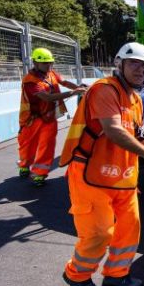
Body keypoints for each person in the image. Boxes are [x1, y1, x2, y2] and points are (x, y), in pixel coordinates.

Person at [59, 42, 144, 286]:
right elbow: (114, 130)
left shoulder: (136, 99)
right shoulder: (104, 90)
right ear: (119, 64)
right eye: (134, 63)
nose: (140, 69)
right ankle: (77, 275)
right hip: (91, 175)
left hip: (124, 177)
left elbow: (141, 134)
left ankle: (116, 273)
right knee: (99, 232)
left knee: (129, 228)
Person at [17, 47, 87, 187]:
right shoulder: (30, 81)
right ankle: (24, 164)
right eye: (45, 63)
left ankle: (39, 174)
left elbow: (65, 83)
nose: (49, 66)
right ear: (36, 63)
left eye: (50, 63)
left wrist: (81, 88)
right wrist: (73, 93)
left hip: (48, 117)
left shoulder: (51, 73)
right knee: (27, 145)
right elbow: (47, 98)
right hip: (32, 119)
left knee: (47, 145)